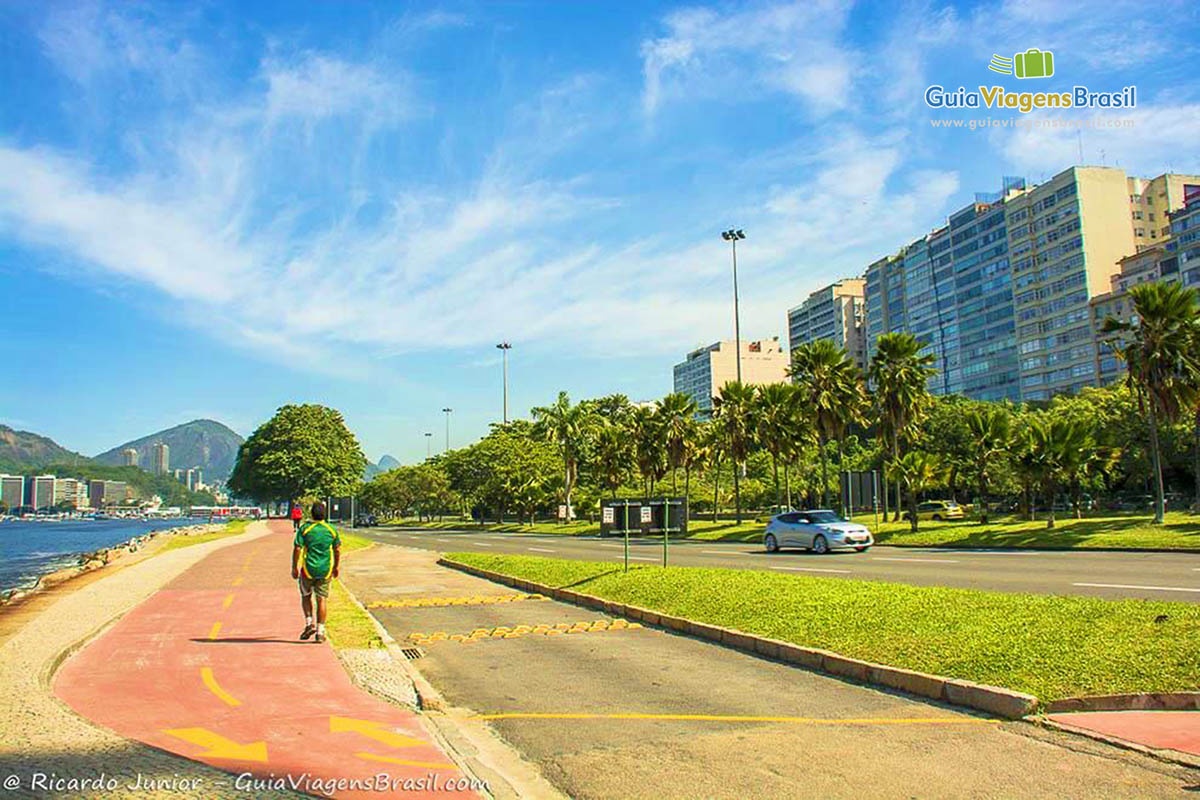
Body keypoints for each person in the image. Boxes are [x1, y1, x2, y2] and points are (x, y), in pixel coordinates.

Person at [292, 501, 340, 643]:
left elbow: (297, 548)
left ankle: (309, 623)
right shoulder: (331, 529)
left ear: (312, 513)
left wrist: (294, 567)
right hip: (325, 570)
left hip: (308, 569)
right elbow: (337, 549)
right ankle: (320, 632)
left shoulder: (305, 529)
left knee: (306, 596)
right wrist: (336, 567)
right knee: (322, 599)